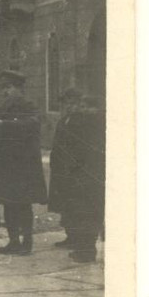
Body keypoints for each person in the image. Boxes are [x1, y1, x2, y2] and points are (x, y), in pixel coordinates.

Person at [0, 69, 47, 256]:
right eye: (4, 88)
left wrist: (4, 125)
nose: (6, 91)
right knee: (8, 203)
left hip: (23, 165)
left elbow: (32, 125)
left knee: (23, 204)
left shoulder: (28, 105)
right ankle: (13, 241)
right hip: (6, 164)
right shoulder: (4, 106)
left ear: (19, 88)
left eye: (9, 87)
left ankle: (27, 242)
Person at [49, 92, 105, 262]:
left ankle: (86, 250)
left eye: (86, 106)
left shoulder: (91, 123)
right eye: (83, 106)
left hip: (87, 175)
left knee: (86, 213)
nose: (83, 109)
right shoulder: (75, 121)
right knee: (77, 210)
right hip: (75, 172)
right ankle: (81, 245)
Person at [47, 88, 85, 249]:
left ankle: (78, 237)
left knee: (76, 204)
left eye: (73, 104)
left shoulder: (82, 122)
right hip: (62, 169)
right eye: (67, 104)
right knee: (65, 204)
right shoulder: (64, 120)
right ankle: (70, 235)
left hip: (74, 170)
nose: (69, 107)